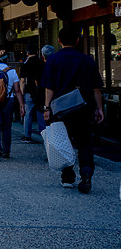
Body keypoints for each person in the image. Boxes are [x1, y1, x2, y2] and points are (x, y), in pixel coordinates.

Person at [42, 25, 105, 193]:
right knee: (84, 142)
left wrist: (47, 108)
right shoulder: (87, 60)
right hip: (83, 108)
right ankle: (86, 172)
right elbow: (96, 88)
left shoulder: (53, 60)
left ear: (59, 40)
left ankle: (68, 176)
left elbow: (49, 87)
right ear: (77, 40)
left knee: (63, 141)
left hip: (60, 110)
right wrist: (99, 108)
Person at [19, 43, 46, 143]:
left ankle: (27, 136)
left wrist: (21, 94)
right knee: (41, 115)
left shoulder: (25, 65)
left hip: (29, 92)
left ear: (27, 53)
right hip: (41, 92)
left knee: (28, 114)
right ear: (38, 52)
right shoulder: (42, 63)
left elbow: (22, 81)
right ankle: (45, 137)